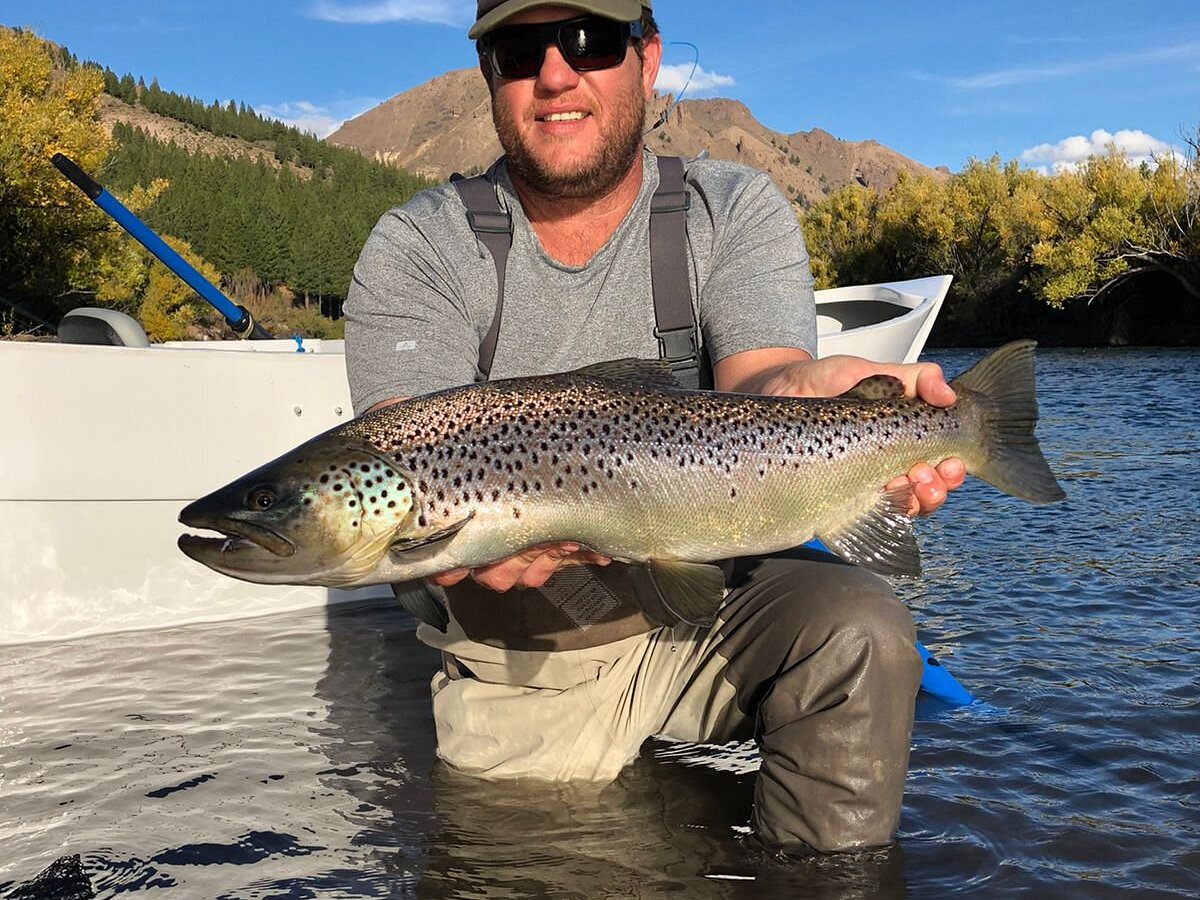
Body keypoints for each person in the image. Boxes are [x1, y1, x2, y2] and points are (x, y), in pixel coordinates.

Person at [344, 0, 965, 856]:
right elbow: (395, 437)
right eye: (521, 49)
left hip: (710, 614)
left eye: (588, 41)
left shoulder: (731, 208)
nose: (555, 74)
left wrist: (839, 408)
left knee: (862, 628)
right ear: (489, 70)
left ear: (648, 57)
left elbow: (768, 390)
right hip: (525, 666)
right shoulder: (420, 245)